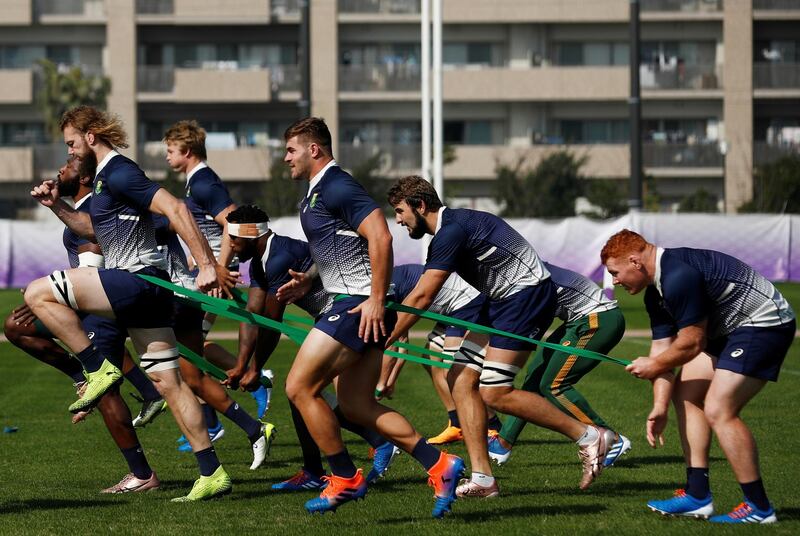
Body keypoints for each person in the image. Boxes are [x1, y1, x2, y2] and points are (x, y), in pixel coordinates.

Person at [25, 105, 233, 501]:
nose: (70, 153)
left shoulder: (119, 171)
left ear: (90, 137)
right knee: (168, 383)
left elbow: (176, 208)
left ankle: (94, 368)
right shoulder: (105, 180)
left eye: (72, 144)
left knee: (38, 292)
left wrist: (206, 263)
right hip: (145, 289)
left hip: (138, 281)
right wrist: (58, 207)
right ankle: (212, 472)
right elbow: (93, 228)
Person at [276, 118, 464, 517]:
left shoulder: (336, 184)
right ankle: (440, 464)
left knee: (299, 388)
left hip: (356, 304)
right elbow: (338, 248)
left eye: (291, 149)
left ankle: (343, 477)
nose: (285, 157)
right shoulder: (314, 194)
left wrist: (377, 298)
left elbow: (380, 235)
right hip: (355, 302)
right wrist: (307, 281)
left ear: (314, 150)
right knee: (358, 406)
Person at [386, 175, 615, 498]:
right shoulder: (453, 227)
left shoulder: (450, 232)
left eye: (399, 211)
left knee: (494, 392)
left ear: (420, 206)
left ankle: (589, 436)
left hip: (526, 297)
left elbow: (422, 297)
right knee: (460, 380)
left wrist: (383, 339)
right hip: (498, 299)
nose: (398, 220)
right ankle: (483, 478)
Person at [602, 229, 796, 524]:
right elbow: (662, 354)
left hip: (763, 323)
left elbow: (692, 343)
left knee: (719, 410)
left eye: (615, 272)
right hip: (728, 330)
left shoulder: (678, 276)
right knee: (686, 394)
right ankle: (697, 496)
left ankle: (759, 507)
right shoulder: (656, 294)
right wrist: (659, 406)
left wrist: (654, 366)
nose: (615, 281)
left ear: (635, 261)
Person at [4, 155, 162, 493]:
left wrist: (55, 295)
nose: (61, 168)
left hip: (99, 307)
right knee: (16, 327)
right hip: (90, 302)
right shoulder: (82, 208)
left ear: (86, 176)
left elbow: (92, 265)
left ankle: (143, 475)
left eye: (70, 163)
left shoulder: (92, 209)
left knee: (108, 393)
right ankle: (85, 377)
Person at [223, 204, 398, 489]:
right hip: (332, 317)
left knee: (303, 390)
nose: (229, 245)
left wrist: (256, 369)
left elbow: (270, 321)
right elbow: (252, 315)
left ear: (253, 235)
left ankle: (364, 453)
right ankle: (324, 468)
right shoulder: (258, 261)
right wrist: (241, 364)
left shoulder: (279, 257)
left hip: (347, 313)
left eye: (234, 238)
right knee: (306, 393)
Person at [163, 120, 270, 423]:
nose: (167, 156)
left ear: (186, 150)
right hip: (211, 270)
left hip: (220, 273)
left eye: (170, 150)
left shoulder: (202, 183)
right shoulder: (196, 181)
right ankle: (212, 418)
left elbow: (233, 222)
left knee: (188, 344)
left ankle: (254, 382)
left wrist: (218, 266)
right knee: (191, 344)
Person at [153, 213, 276, 470]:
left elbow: (207, 222)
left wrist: (214, 265)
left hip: (175, 299)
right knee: (193, 378)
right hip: (176, 296)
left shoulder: (198, 186)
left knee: (171, 378)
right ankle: (253, 429)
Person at [488, 261, 630, 468]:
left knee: (553, 385)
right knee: (534, 380)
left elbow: (531, 320)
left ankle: (610, 439)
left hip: (598, 319)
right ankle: (503, 443)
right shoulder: (518, 270)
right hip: (578, 320)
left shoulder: (526, 276)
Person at [376, 264, 495, 444]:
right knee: (430, 358)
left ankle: (492, 425)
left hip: (465, 302)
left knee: (454, 370)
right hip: (451, 308)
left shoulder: (385, 290)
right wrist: (389, 382)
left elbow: (392, 345)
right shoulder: (387, 281)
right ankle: (456, 424)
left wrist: (381, 384)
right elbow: (402, 343)